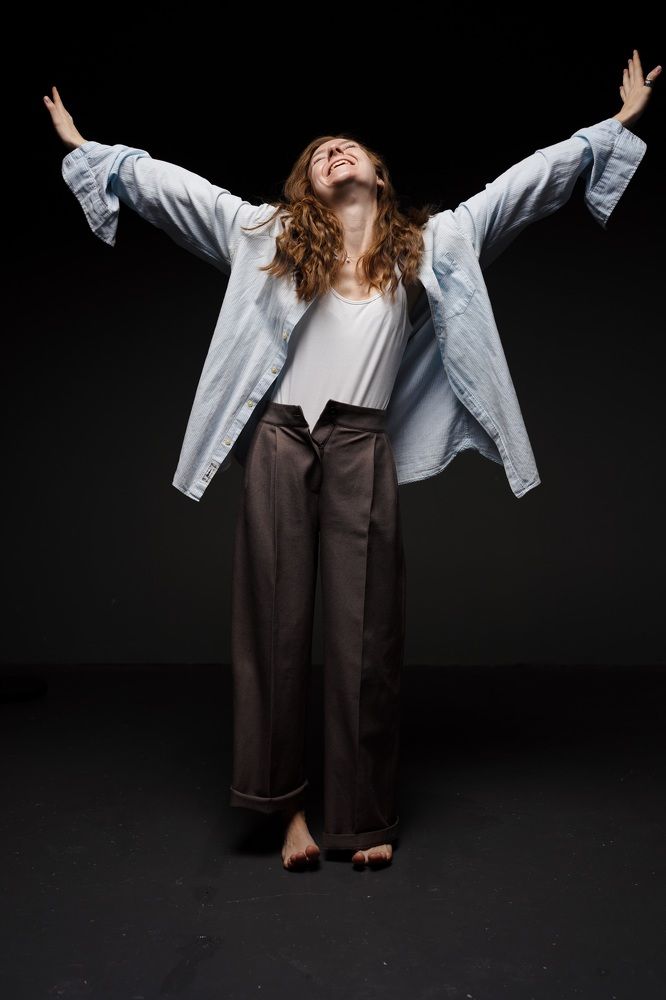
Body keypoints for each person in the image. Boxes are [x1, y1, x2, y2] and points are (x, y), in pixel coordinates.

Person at [44, 50, 660, 872]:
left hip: (360, 446)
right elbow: (175, 190)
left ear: (378, 173)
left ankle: (362, 815)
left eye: (348, 146)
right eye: (318, 153)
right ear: (306, 184)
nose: (333, 150)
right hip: (280, 441)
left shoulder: (433, 247)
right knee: (274, 627)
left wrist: (611, 129)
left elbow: (525, 185)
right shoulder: (265, 236)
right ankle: (286, 809)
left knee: (367, 633)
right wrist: (91, 152)